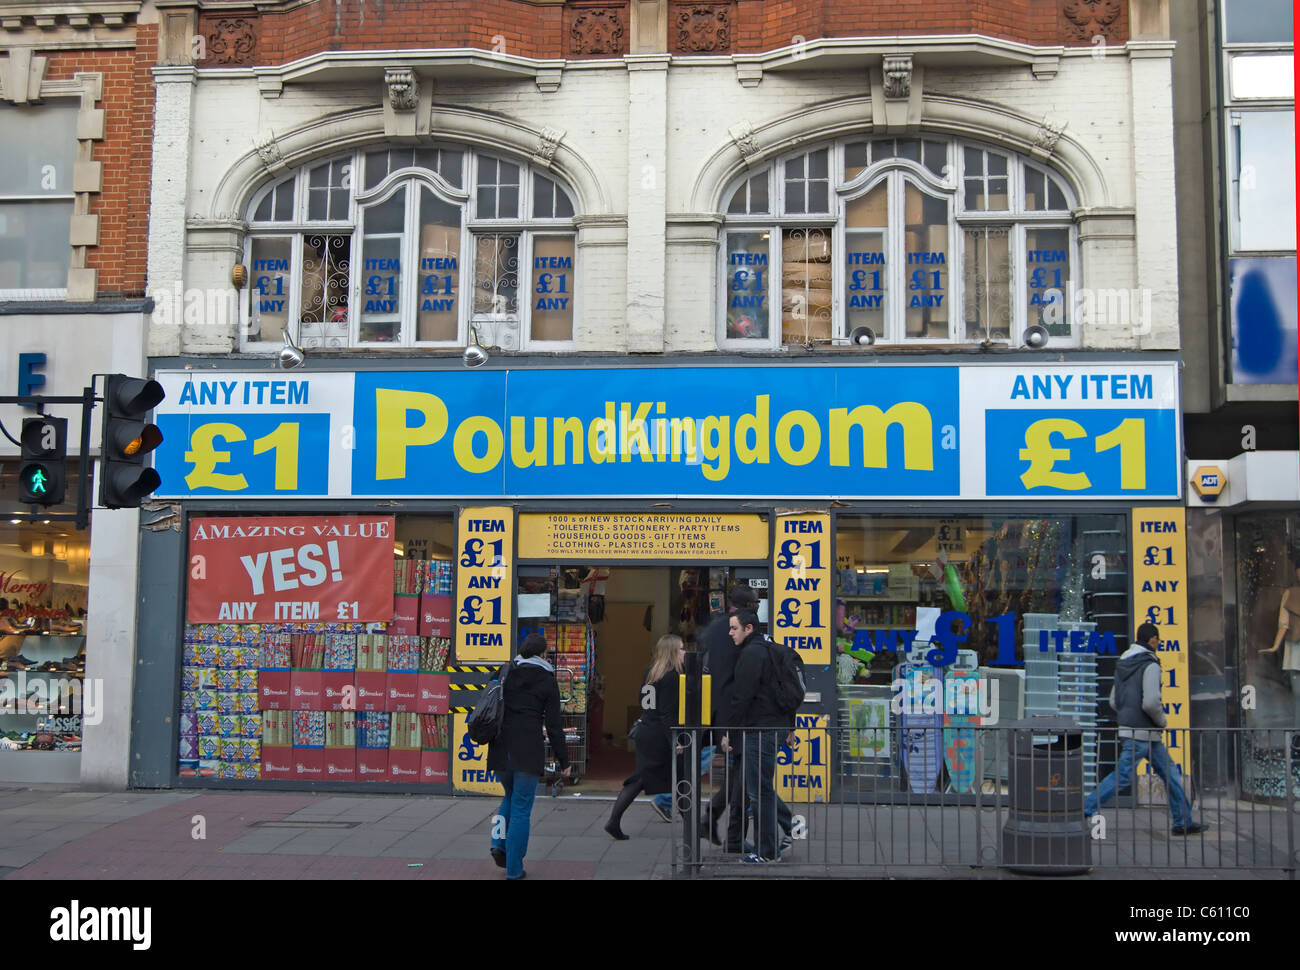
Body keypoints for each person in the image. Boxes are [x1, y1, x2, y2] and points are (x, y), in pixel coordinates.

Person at [1084, 623, 1207, 835]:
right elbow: (1151, 702)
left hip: (1137, 731)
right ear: (1152, 640)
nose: (1159, 643)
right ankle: (1084, 808)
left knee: (1170, 774)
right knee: (1124, 776)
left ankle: (1183, 821)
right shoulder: (1150, 665)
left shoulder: (1123, 663)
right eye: (1158, 640)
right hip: (1143, 732)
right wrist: (1162, 721)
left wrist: (1127, 715)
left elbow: (1114, 700)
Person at [487, 632, 571, 879]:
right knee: (522, 807)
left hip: (500, 748)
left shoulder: (505, 672)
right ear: (543, 654)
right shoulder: (546, 679)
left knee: (509, 796)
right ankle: (514, 870)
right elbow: (554, 726)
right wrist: (564, 760)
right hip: (527, 752)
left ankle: (498, 843)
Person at [605, 635, 684, 839]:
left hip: (646, 730)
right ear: (673, 652)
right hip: (659, 735)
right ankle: (613, 821)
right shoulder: (672, 677)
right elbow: (667, 713)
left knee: (670, 778)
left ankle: (696, 824)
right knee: (647, 779)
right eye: (682, 649)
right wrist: (675, 740)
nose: (685, 653)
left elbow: (643, 700)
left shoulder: (651, 673)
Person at [727, 609, 788, 863]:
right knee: (761, 788)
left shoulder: (751, 654)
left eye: (734, 628)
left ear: (749, 628)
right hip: (770, 727)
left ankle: (766, 852)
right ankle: (781, 837)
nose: (730, 633)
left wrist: (729, 732)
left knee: (758, 793)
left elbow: (742, 696)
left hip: (759, 729)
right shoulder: (768, 649)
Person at [1263, 562, 1300, 726]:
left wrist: (1276, 646)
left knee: (1298, 694)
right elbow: (1283, 624)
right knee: (1298, 694)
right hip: (1295, 649)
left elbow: (1283, 624)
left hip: (1295, 648)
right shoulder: (1290, 593)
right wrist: (1275, 646)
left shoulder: (1290, 593)